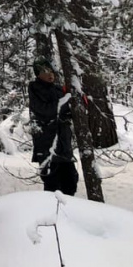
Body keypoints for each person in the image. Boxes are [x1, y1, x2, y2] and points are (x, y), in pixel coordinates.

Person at [28, 58, 78, 195]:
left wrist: (78, 102)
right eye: (45, 71)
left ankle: (68, 213)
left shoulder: (58, 89)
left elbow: (69, 112)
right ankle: (51, 214)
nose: (50, 74)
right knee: (52, 185)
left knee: (71, 181)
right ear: (38, 74)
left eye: (51, 71)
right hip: (47, 146)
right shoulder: (35, 89)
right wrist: (65, 102)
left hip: (64, 145)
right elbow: (45, 110)